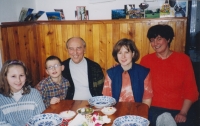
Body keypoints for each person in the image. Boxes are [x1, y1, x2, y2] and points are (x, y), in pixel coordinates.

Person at [140, 24, 199, 126]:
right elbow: (136, 79)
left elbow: (191, 90)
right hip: (153, 108)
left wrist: (183, 113)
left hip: (179, 110)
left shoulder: (183, 60)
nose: (155, 43)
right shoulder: (146, 60)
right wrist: (121, 68)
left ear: (168, 39)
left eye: (159, 39)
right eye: (152, 40)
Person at [102, 38, 153, 107]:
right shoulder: (111, 73)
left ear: (133, 53)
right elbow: (106, 99)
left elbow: (147, 99)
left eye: (126, 52)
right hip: (115, 112)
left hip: (137, 113)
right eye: (120, 53)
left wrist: (140, 114)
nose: (123, 56)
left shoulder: (143, 72)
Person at [0, 60, 45, 126]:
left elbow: (42, 119)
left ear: (26, 76)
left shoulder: (34, 94)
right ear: (5, 77)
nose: (18, 80)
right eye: (13, 76)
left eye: (21, 75)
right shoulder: (1, 99)